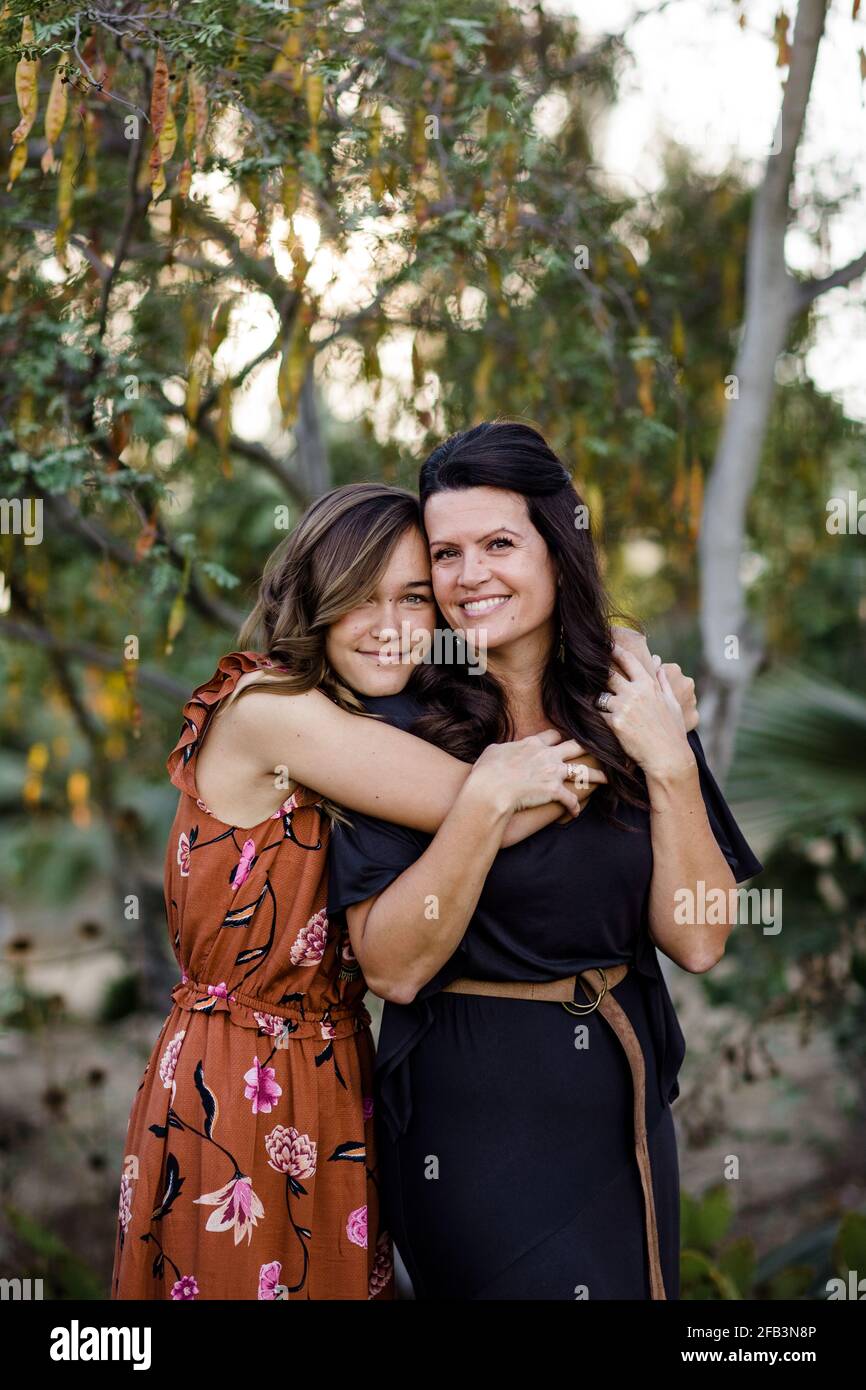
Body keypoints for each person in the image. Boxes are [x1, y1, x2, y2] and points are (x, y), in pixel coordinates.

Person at [112, 481, 696, 1299]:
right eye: (358, 598)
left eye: (415, 598)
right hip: (240, 1076)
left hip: (336, 1064)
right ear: (313, 601)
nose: (391, 629)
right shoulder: (270, 709)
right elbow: (487, 801)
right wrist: (641, 728)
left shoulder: (371, 716)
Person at [326, 420, 764, 1301]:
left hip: (620, 1108)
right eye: (445, 554)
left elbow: (703, 941)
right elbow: (392, 968)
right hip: (473, 1127)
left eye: (498, 543)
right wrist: (485, 804)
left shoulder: (633, 700)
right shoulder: (399, 728)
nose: (469, 576)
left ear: (559, 543)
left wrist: (668, 756)